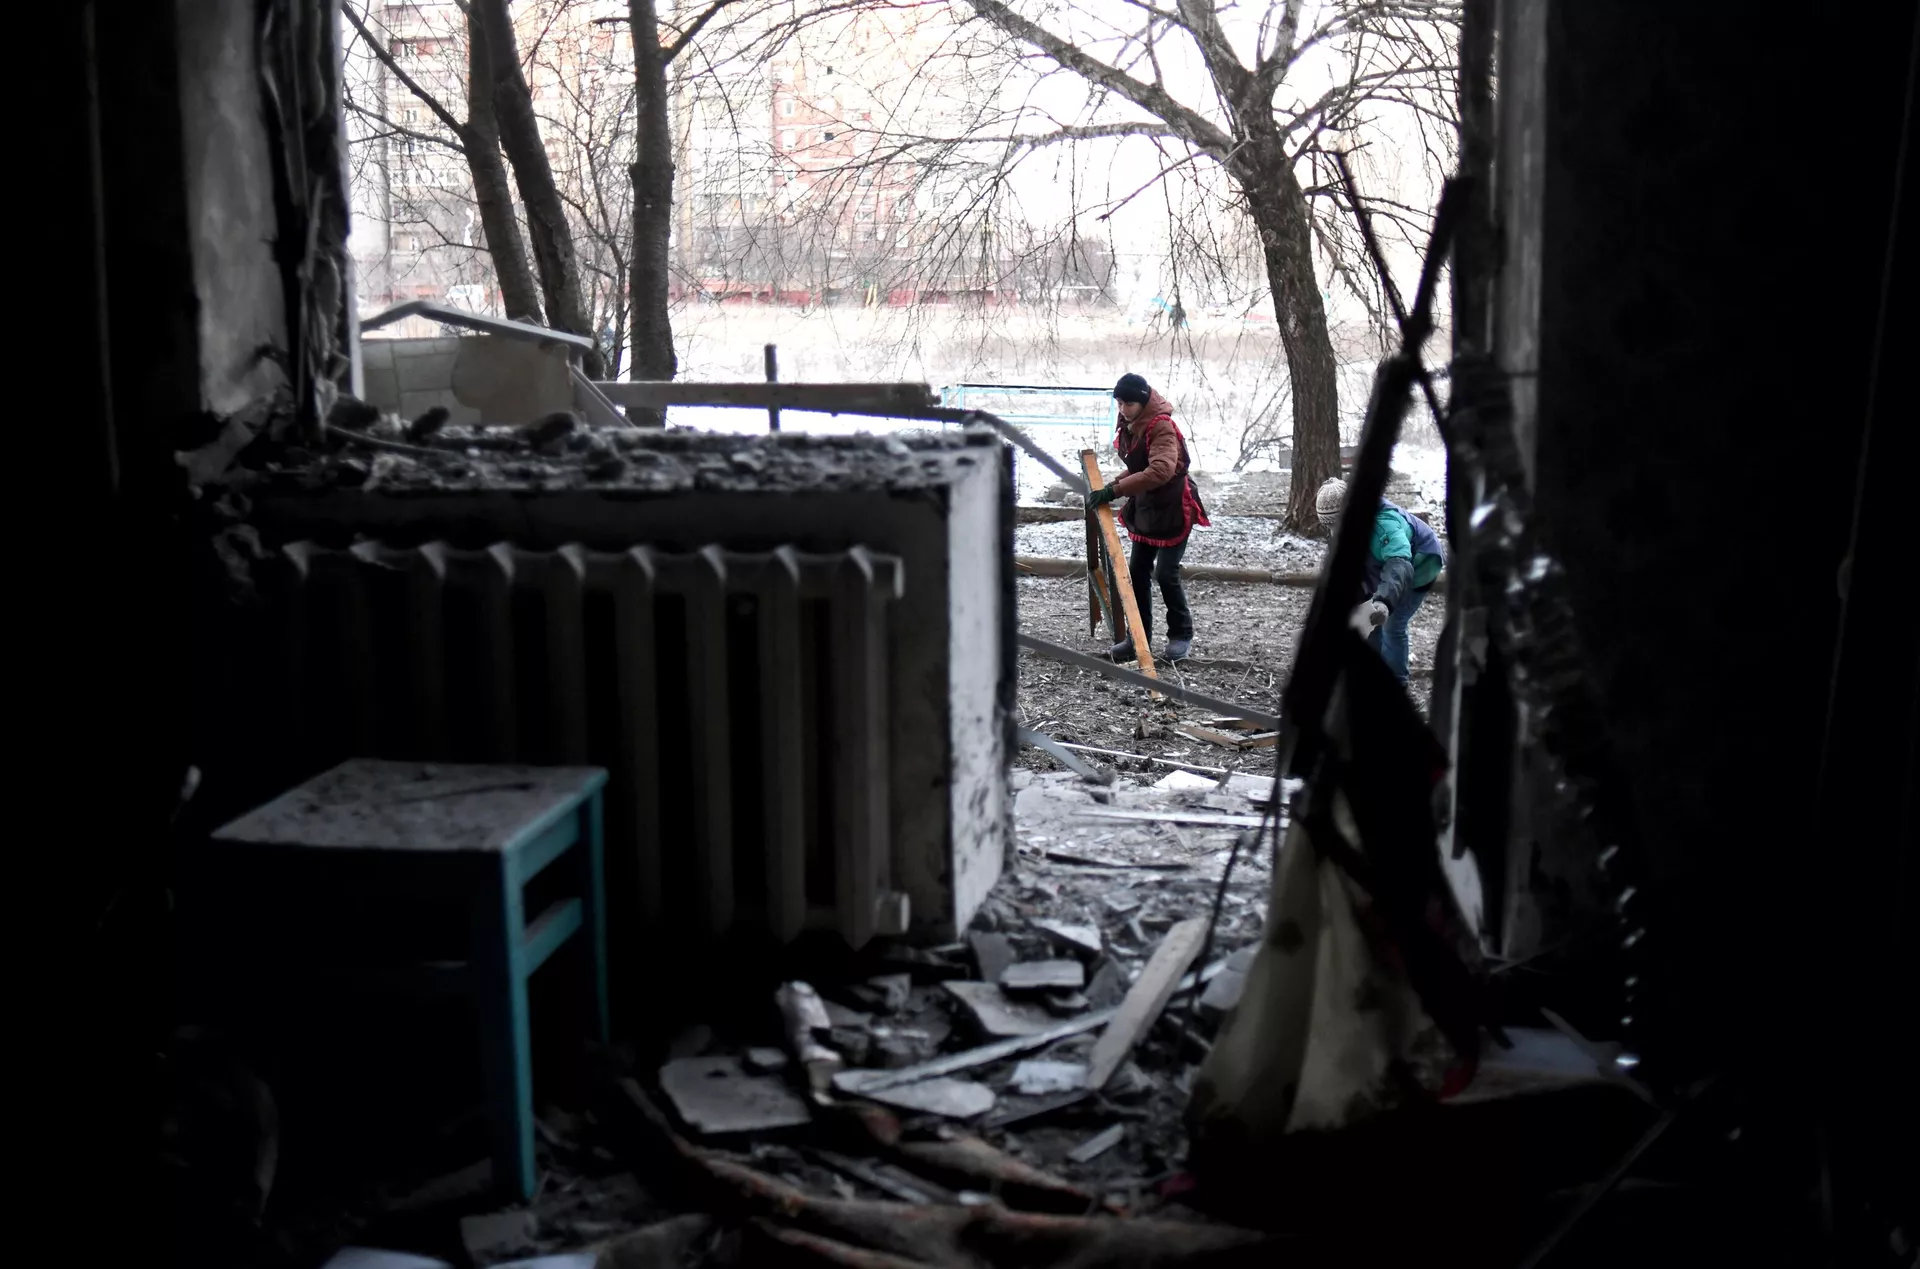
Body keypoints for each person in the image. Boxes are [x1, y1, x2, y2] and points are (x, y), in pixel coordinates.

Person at [1085, 373, 1211, 662]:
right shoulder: (1133, 425)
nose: (1122, 408)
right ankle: (1137, 640)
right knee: (1138, 573)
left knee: (1166, 573)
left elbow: (1161, 470)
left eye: (1128, 403)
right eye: (1118, 402)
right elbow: (1141, 464)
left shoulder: (1162, 427)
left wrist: (1115, 490)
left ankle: (1181, 634)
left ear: (1142, 402)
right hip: (1147, 508)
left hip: (1174, 508)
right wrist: (1112, 486)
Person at [1314, 477, 1445, 687]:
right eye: (1329, 526)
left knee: (1392, 623)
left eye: (1340, 524)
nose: (1335, 532)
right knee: (1366, 618)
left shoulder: (1385, 524)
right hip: (1380, 563)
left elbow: (1399, 565)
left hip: (1418, 562)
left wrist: (1383, 602)